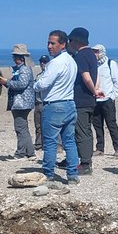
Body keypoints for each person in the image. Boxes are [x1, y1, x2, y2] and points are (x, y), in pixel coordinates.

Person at [34, 30, 80, 184]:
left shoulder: (55, 63)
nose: (49, 46)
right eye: (48, 43)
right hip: (69, 103)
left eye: (53, 43)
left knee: (50, 142)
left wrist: (35, 85)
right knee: (69, 141)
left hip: (54, 105)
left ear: (63, 44)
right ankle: (72, 174)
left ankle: (48, 174)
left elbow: (43, 83)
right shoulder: (71, 61)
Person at [68, 27, 105, 175]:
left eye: (71, 40)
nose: (69, 43)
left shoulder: (81, 56)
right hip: (89, 100)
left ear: (77, 40)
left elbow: (86, 76)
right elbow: (97, 75)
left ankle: (85, 163)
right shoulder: (91, 54)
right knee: (86, 130)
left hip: (82, 100)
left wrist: (94, 91)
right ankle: (80, 159)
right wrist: (95, 90)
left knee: (82, 131)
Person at [2, 43, 36, 158]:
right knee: (23, 128)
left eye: (16, 57)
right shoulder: (21, 69)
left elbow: (21, 84)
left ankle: (20, 153)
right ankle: (30, 153)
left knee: (20, 128)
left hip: (21, 103)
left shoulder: (24, 69)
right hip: (21, 102)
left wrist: (7, 82)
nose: (14, 59)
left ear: (22, 58)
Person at [91, 44, 118, 157]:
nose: (95, 54)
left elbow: (117, 82)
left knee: (111, 124)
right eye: (93, 51)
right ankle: (100, 148)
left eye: (97, 51)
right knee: (97, 125)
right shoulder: (93, 65)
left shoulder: (110, 64)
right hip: (96, 100)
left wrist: (112, 97)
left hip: (107, 100)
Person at [33, 54, 49, 150]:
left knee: (47, 125)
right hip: (38, 102)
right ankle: (39, 143)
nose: (42, 64)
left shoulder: (50, 75)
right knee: (38, 125)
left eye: (45, 62)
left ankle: (47, 144)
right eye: (41, 62)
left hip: (46, 102)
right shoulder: (38, 76)